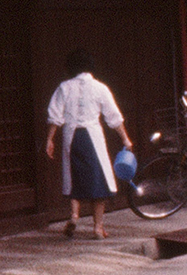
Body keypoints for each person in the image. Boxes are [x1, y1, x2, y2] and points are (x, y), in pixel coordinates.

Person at [45, 49, 134, 241]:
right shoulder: (100, 88)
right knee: (98, 181)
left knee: (74, 177)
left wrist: (49, 139)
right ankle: (97, 227)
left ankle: (74, 216)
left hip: (72, 136)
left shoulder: (64, 87)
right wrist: (125, 138)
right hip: (92, 137)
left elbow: (55, 115)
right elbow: (114, 117)